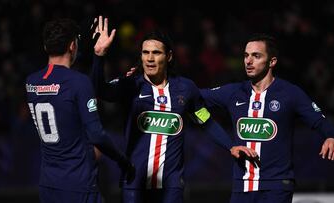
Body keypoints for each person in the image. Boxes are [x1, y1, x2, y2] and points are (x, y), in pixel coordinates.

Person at [90, 17, 245, 203]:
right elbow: (100, 90)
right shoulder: (130, 85)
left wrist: (230, 145)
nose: (149, 58)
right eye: (145, 52)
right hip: (135, 181)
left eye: (156, 52)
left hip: (171, 185)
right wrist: (99, 56)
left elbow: (205, 120)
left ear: (169, 56)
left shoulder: (186, 89)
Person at [200, 33, 334, 203]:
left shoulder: (290, 93)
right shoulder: (234, 92)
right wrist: (204, 119)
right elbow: (192, 98)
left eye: (256, 56)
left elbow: (319, 120)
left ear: (272, 62)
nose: (248, 61)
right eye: (246, 55)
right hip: (241, 187)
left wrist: (330, 136)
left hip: (277, 187)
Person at [25, 17, 134, 203]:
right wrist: (122, 160)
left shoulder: (31, 82)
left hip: (48, 184)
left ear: (45, 47)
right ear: (72, 46)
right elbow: (96, 134)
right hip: (78, 183)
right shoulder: (78, 82)